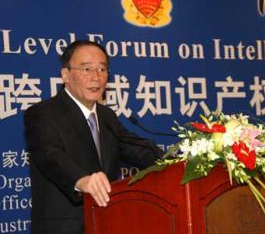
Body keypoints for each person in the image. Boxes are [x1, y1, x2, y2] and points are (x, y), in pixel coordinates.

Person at [24, 40, 163, 234]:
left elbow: (137, 148)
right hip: (64, 227)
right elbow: (50, 155)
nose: (96, 77)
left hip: (105, 222)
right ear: (65, 75)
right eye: (86, 69)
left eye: (102, 69)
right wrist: (81, 180)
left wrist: (185, 159)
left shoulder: (107, 116)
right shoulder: (42, 113)